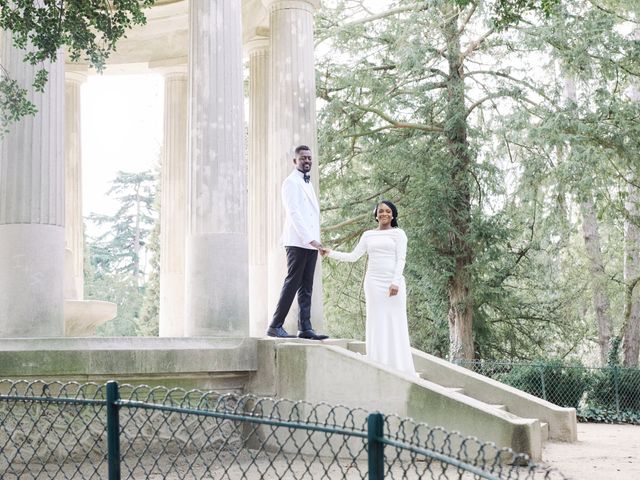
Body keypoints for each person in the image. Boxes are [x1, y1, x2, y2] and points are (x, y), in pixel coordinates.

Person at [322, 200, 416, 376]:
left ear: (393, 214)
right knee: (376, 320)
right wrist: (330, 253)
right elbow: (353, 256)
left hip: (393, 283)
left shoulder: (399, 234)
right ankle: (377, 361)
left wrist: (395, 281)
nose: (384, 214)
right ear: (376, 214)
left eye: (388, 211)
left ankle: (398, 364)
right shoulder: (368, 235)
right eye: (380, 211)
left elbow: (401, 259)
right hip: (373, 282)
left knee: (395, 321)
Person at [266, 145, 329, 340]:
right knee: (292, 283)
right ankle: (275, 325)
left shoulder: (307, 182)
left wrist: (314, 241)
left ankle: (305, 327)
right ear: (295, 161)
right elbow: (294, 214)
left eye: (309, 158)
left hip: (310, 242)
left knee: (307, 286)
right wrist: (310, 239)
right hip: (298, 241)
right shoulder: (290, 182)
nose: (307, 161)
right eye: (303, 158)